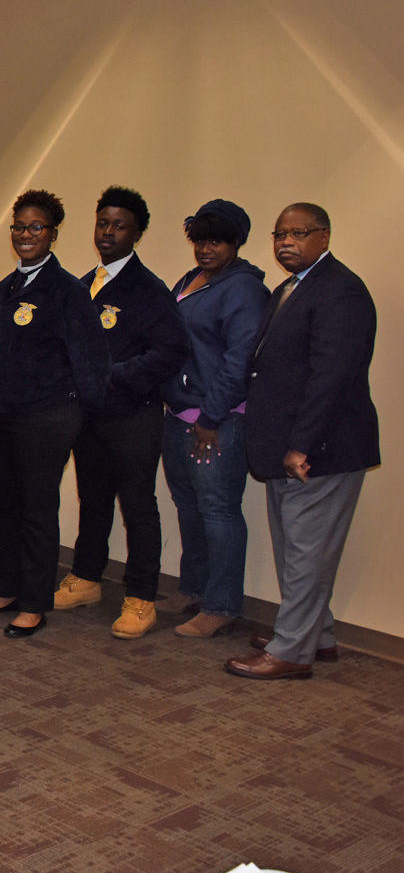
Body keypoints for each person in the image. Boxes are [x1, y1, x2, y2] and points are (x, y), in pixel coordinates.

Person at [227, 203, 378, 680]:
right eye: (279, 234)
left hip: (322, 451)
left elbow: (330, 378)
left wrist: (301, 446)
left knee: (307, 552)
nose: (285, 242)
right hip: (286, 445)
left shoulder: (342, 292)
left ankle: (291, 651)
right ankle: (319, 635)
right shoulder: (290, 288)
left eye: (298, 233)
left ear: (325, 236)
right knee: (299, 549)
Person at [56, 187, 188, 639]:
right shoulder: (79, 286)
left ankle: (140, 597)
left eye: (119, 226)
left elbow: (170, 352)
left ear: (137, 233)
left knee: (138, 506)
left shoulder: (149, 290)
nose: (108, 232)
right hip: (86, 417)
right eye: (103, 223)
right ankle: (87, 578)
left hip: (133, 415)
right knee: (92, 500)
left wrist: (109, 375)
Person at [0, 189, 109, 638]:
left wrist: (80, 421)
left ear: (53, 234)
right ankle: (9, 589)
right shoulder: (5, 287)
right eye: (19, 227)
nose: (26, 235)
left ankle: (34, 601)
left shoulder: (69, 291)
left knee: (36, 508)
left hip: (47, 418)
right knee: (6, 506)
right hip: (0, 417)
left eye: (36, 227)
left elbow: (91, 362)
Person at [159, 200, 269, 639]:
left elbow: (239, 361)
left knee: (218, 510)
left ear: (235, 242)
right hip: (177, 414)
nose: (206, 248)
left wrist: (211, 416)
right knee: (189, 508)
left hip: (215, 422)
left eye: (216, 241)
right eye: (200, 240)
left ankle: (222, 605)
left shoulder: (243, 290)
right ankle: (195, 589)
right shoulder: (190, 281)